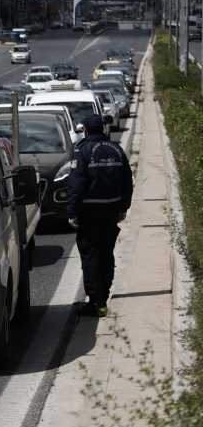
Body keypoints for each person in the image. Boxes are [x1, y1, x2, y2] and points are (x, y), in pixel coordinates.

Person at [66, 114, 133, 317]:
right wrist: (123, 207)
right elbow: (127, 181)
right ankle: (103, 294)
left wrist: (72, 212)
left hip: (90, 213)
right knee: (106, 253)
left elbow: (76, 184)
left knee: (91, 256)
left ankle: (96, 302)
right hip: (111, 211)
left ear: (85, 129)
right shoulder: (116, 149)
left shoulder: (82, 150)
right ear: (102, 129)